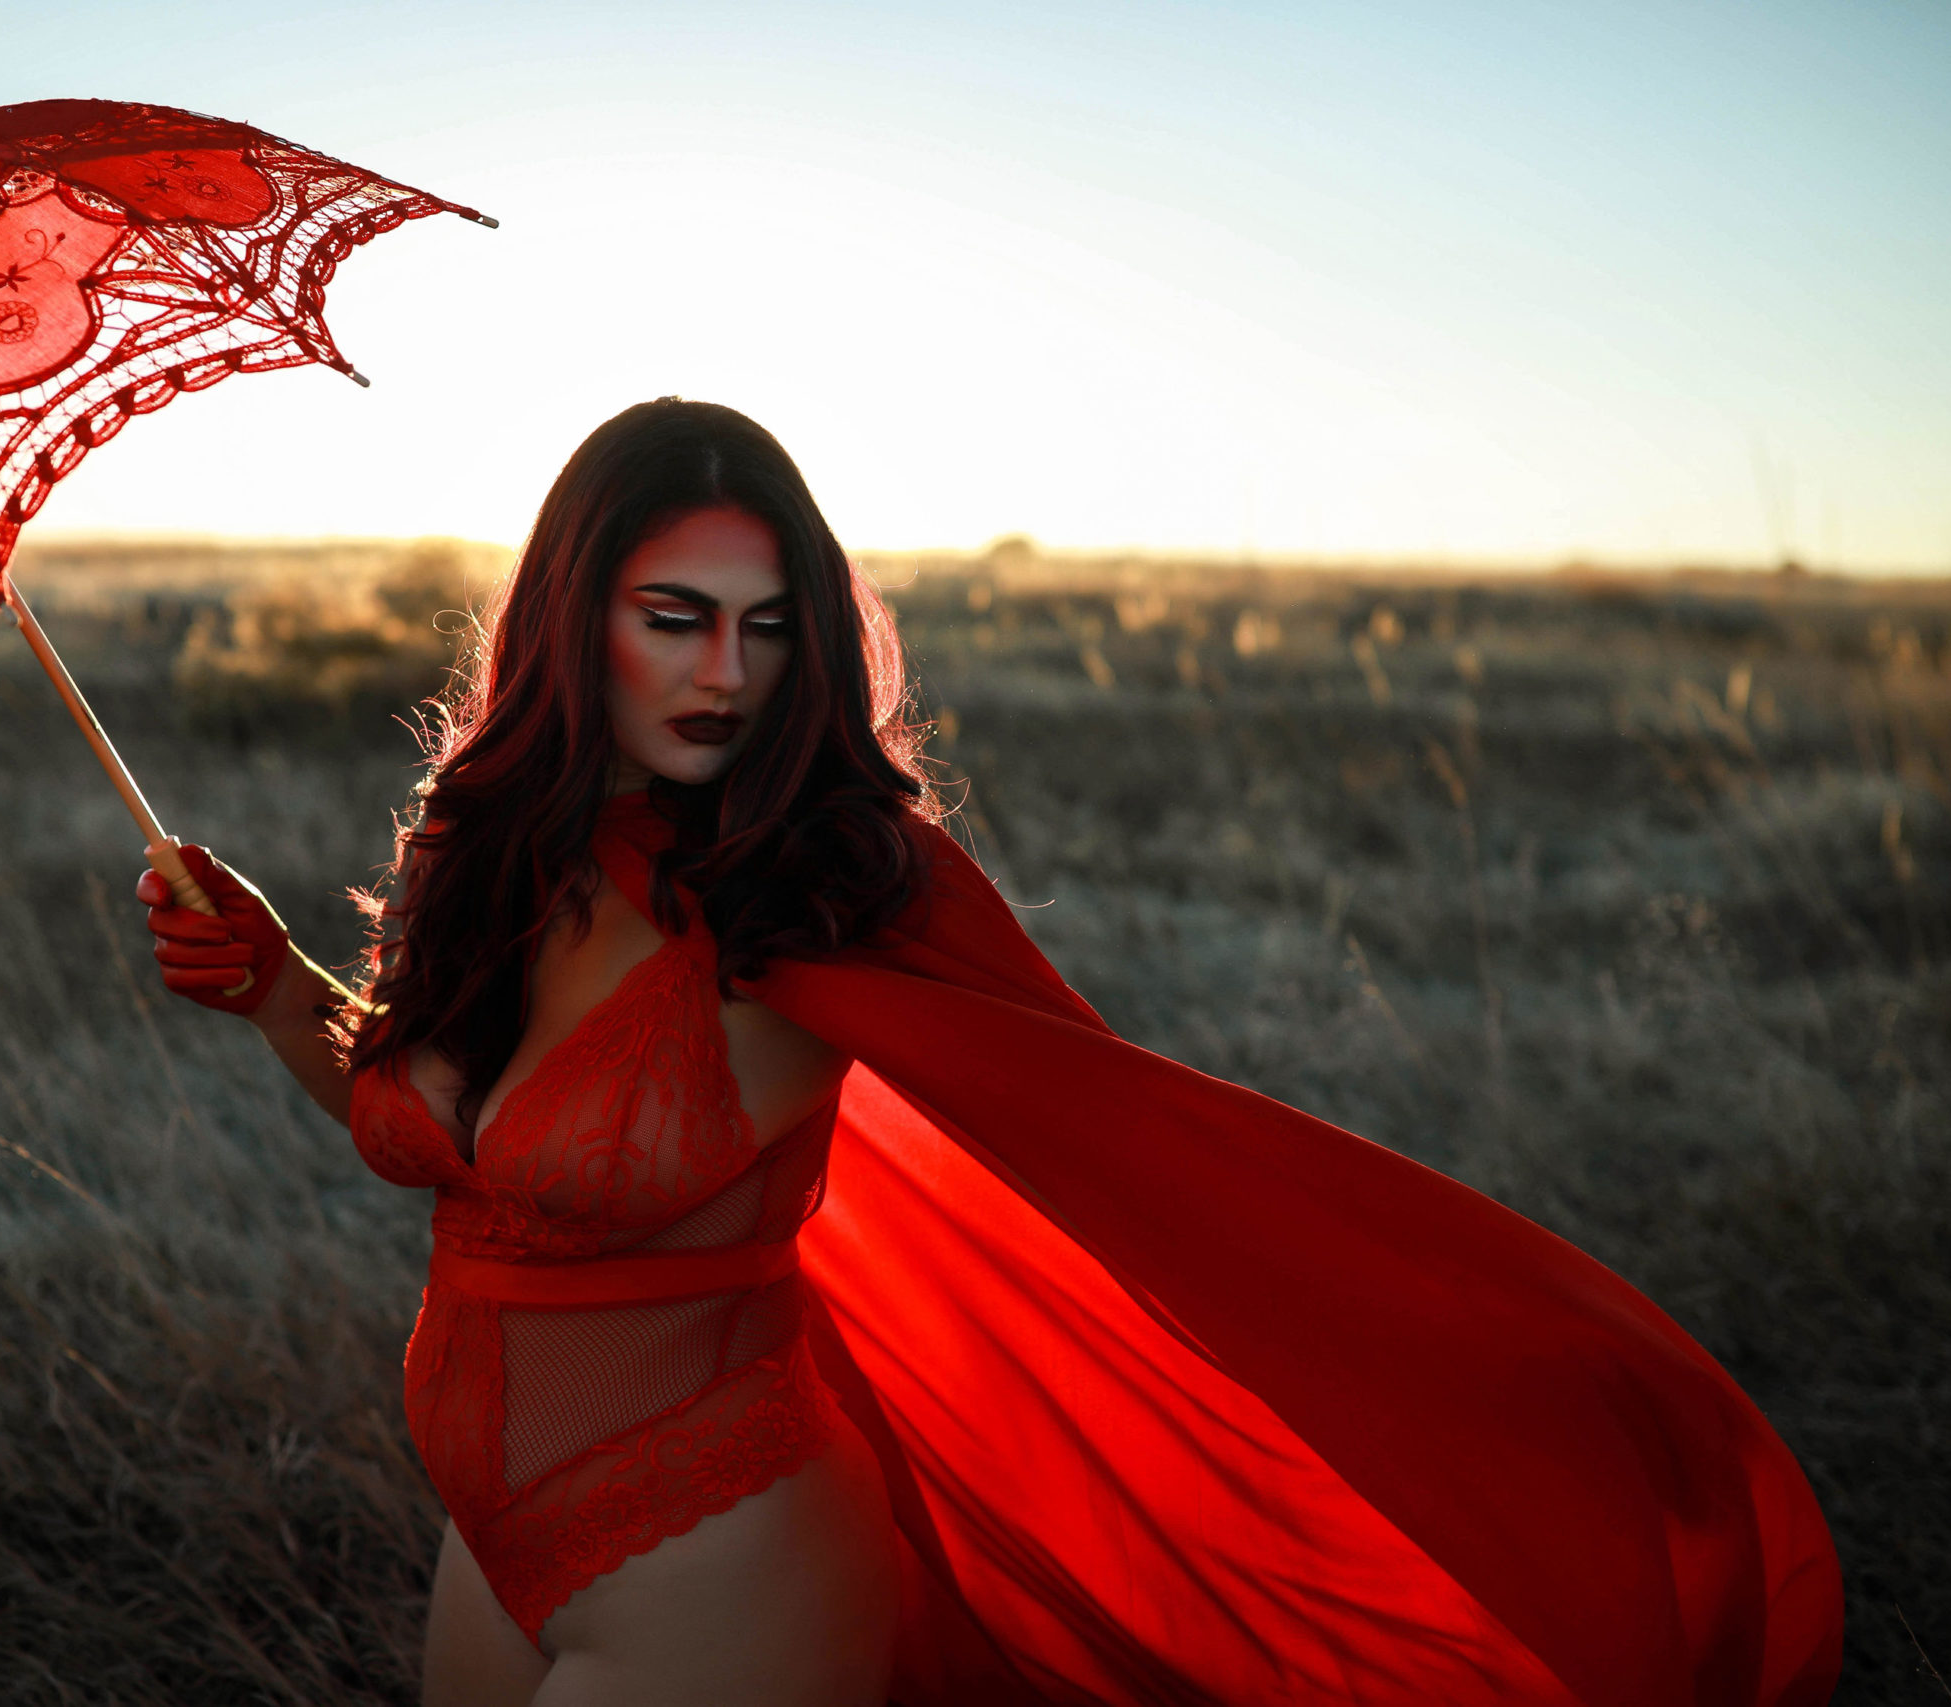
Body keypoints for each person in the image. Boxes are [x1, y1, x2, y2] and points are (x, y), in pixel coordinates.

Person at [142, 398, 1845, 1707]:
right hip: (490, 1545)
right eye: (676, 616)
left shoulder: (826, 884)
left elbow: (1109, 1146)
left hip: (718, 1559)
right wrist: (277, 983)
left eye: (770, 624)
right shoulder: (503, 857)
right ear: (577, 616)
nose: (727, 673)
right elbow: (443, 1136)